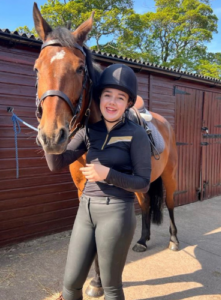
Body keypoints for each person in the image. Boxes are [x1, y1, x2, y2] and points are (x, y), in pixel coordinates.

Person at [45, 64, 151, 300]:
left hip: (116, 213)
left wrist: (107, 174)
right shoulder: (89, 131)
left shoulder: (136, 134)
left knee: (111, 287)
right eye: (107, 95)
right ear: (100, 98)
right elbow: (56, 163)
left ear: (128, 103)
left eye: (120, 97)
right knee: (70, 285)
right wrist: (48, 132)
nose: (112, 102)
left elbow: (143, 183)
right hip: (85, 211)